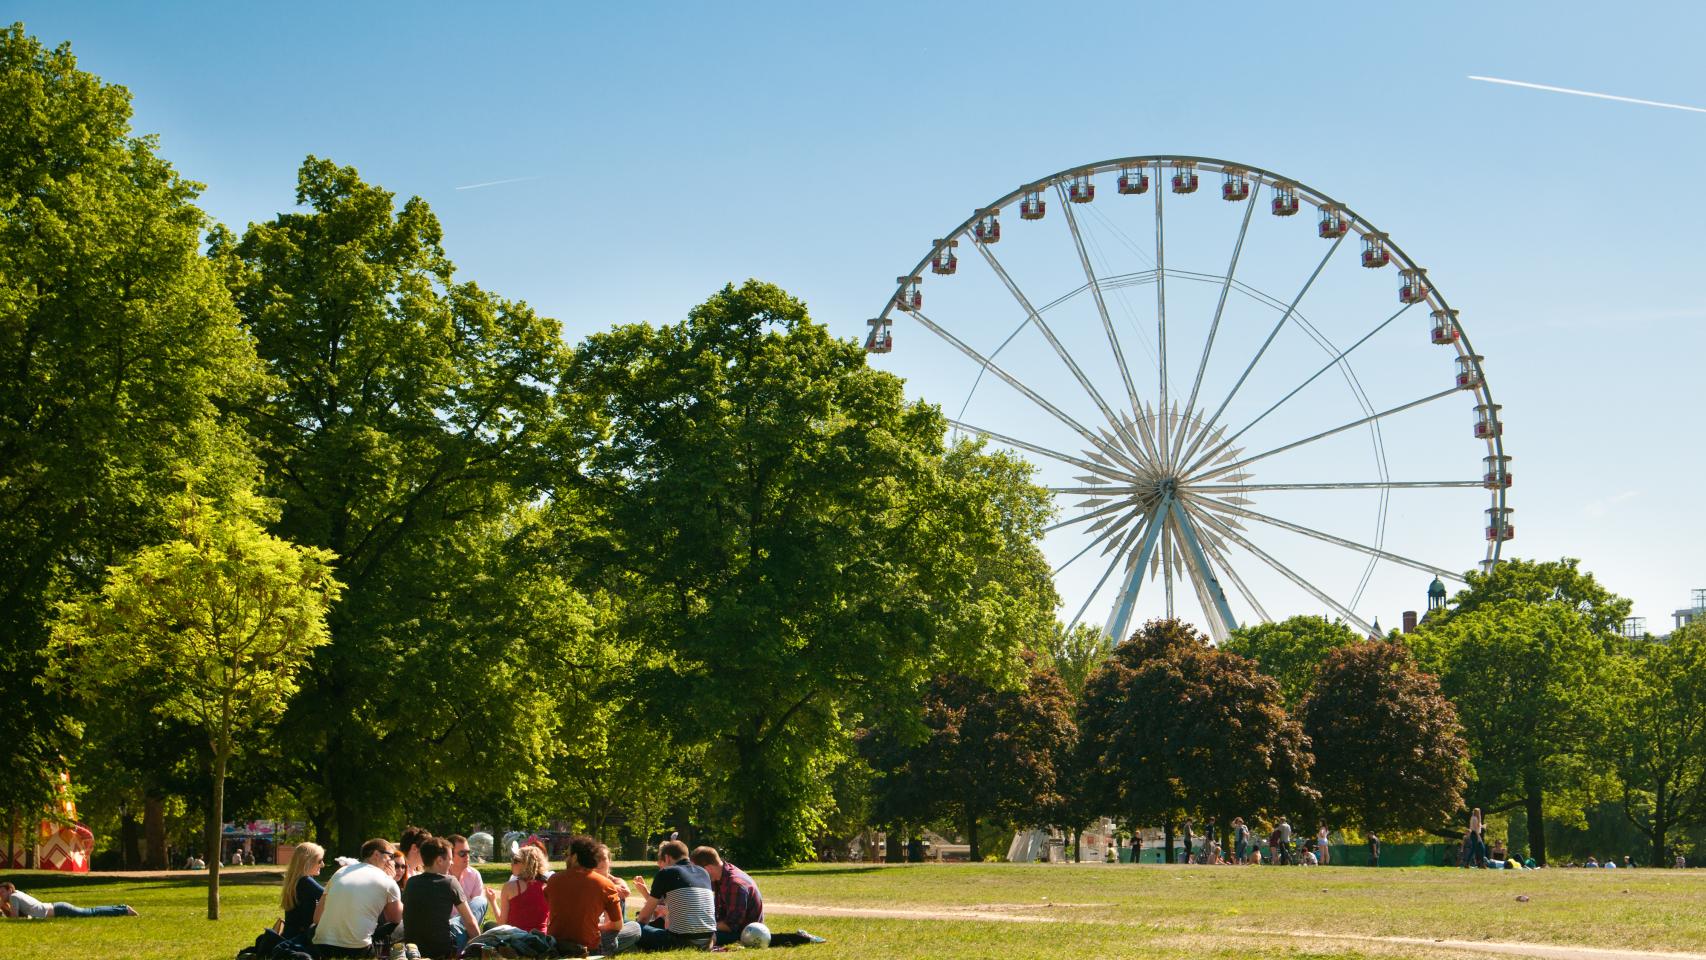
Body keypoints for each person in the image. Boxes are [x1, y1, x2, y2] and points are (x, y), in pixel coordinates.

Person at [547, 835, 640, 956]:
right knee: (635, 927)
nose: (566, 858)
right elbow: (617, 925)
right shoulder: (605, 884)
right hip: (590, 948)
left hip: (557, 945)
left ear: (575, 857)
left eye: (567, 855)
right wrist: (595, 926)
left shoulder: (553, 880)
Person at [313, 838, 403, 957]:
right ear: (376, 854)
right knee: (404, 926)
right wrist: (392, 881)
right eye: (390, 857)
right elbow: (396, 918)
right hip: (358, 949)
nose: (393, 863)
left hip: (322, 946)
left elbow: (317, 918)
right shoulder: (387, 880)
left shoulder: (341, 872)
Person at [402, 837, 479, 959]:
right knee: (479, 903)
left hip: (413, 950)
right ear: (439, 860)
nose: (452, 863)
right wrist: (479, 948)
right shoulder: (450, 882)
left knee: (455, 921)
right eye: (450, 859)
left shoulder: (411, 883)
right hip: (442, 951)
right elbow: (470, 922)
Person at [632, 838, 715, 951]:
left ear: (667, 857)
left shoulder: (666, 872)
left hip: (679, 941)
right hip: (709, 940)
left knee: (630, 926)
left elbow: (644, 917)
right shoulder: (703, 873)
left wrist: (637, 928)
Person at [689, 846, 763, 946]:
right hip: (726, 928)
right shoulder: (718, 876)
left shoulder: (735, 884)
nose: (696, 875)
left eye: (697, 871)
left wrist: (701, 927)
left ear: (708, 868)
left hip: (744, 934)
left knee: (695, 938)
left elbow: (731, 925)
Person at [0, 881, 136, 918]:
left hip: (59, 909)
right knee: (90, 911)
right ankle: (122, 908)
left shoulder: (14, 897)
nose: (1, 894)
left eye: (2, 892)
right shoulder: (17, 894)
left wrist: (2, 905)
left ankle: (124, 909)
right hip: (58, 908)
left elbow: (15, 918)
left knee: (91, 912)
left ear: (9, 890)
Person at [497, 844, 550, 933]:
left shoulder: (509, 887)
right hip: (541, 941)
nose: (511, 863)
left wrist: (492, 901)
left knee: (489, 926)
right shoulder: (548, 886)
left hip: (516, 940)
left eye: (515, 860)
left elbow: (502, 923)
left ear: (526, 864)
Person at [446, 834, 489, 943]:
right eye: (462, 853)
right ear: (450, 854)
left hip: (467, 924)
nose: (467, 856)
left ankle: (461, 940)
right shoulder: (440, 876)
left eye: (468, 852)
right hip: (446, 926)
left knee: (480, 901)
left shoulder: (474, 875)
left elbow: (478, 910)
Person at [280, 842, 326, 941]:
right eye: (320, 861)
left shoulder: (296, 880)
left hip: (291, 935)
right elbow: (328, 896)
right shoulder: (305, 881)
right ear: (308, 861)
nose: (322, 865)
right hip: (301, 938)